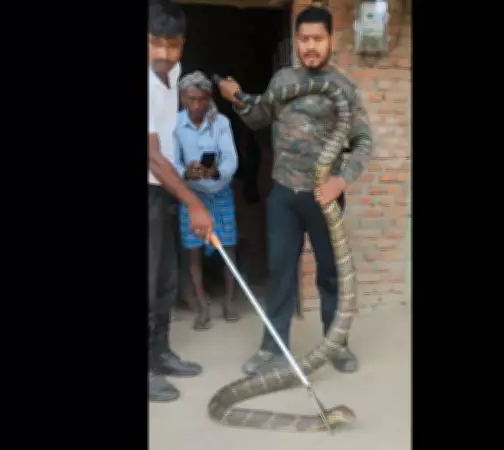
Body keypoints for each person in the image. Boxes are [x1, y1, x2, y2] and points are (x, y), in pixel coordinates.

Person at [216, 6, 374, 376]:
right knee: (281, 271)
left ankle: (337, 344)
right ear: (297, 41)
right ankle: (273, 349)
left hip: (325, 198)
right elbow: (260, 117)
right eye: (304, 39)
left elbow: (364, 141)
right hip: (284, 195)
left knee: (330, 275)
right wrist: (238, 99)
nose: (310, 46)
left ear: (331, 40)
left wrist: (341, 181)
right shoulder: (283, 80)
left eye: (318, 39)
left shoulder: (344, 86)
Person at [148, 2, 210, 403]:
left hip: (162, 192)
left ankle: (161, 353)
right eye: (154, 43)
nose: (163, 55)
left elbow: (165, 150)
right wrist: (194, 203)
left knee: (165, 278)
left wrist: (186, 175)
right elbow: (152, 155)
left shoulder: (173, 81)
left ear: (182, 45)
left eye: (172, 46)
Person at [173, 71, 241, 330]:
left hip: (220, 191)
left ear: (209, 98)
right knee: (194, 250)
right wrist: (186, 172)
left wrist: (214, 171)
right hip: (191, 195)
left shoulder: (220, 122)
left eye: (202, 100)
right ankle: (201, 306)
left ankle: (229, 301)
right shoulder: (176, 124)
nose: (196, 106)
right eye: (190, 100)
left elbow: (231, 159)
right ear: (182, 98)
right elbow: (172, 162)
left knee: (229, 248)